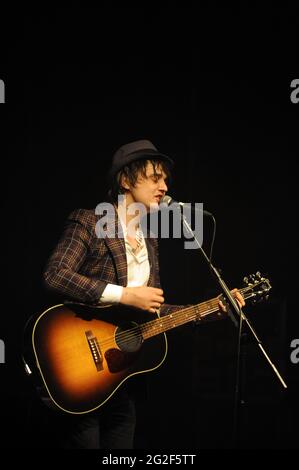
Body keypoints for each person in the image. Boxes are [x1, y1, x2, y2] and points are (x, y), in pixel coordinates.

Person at [42, 139, 245, 449]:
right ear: (125, 180)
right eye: (155, 177)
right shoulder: (89, 221)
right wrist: (124, 295)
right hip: (79, 368)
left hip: (122, 379)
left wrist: (209, 309)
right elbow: (55, 275)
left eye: (165, 179)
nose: (164, 186)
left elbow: (152, 308)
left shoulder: (149, 239)